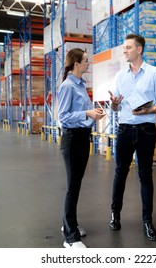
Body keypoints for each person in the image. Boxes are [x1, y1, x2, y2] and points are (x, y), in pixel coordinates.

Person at [108, 34, 156, 241]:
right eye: (124, 48)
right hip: (125, 129)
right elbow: (115, 107)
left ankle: (147, 221)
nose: (124, 51)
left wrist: (151, 109)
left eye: (127, 47)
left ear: (139, 49)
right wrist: (114, 104)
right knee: (120, 174)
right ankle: (115, 215)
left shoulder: (154, 73)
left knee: (146, 176)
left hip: (146, 130)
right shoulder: (119, 76)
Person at [58, 48, 105, 248]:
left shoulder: (81, 85)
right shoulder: (68, 86)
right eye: (86, 61)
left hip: (83, 137)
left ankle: (70, 223)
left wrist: (94, 113)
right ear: (76, 64)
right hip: (72, 139)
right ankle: (70, 237)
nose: (88, 64)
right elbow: (63, 117)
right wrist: (86, 113)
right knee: (72, 187)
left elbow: (82, 112)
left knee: (76, 184)